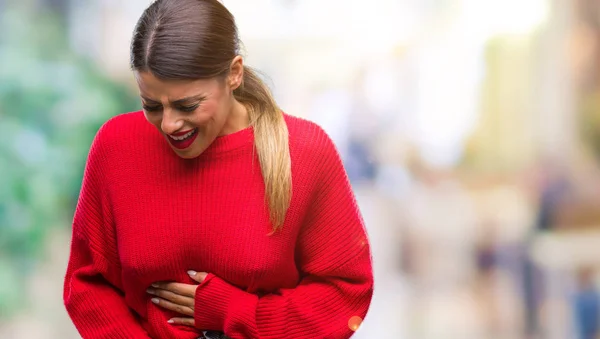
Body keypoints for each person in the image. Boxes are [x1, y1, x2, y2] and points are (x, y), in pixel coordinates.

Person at [62, 0, 374, 338]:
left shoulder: (306, 152)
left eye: (188, 105)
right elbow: (87, 282)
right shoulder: (117, 146)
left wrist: (236, 313)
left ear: (234, 73)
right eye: (152, 105)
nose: (169, 124)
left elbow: (344, 291)